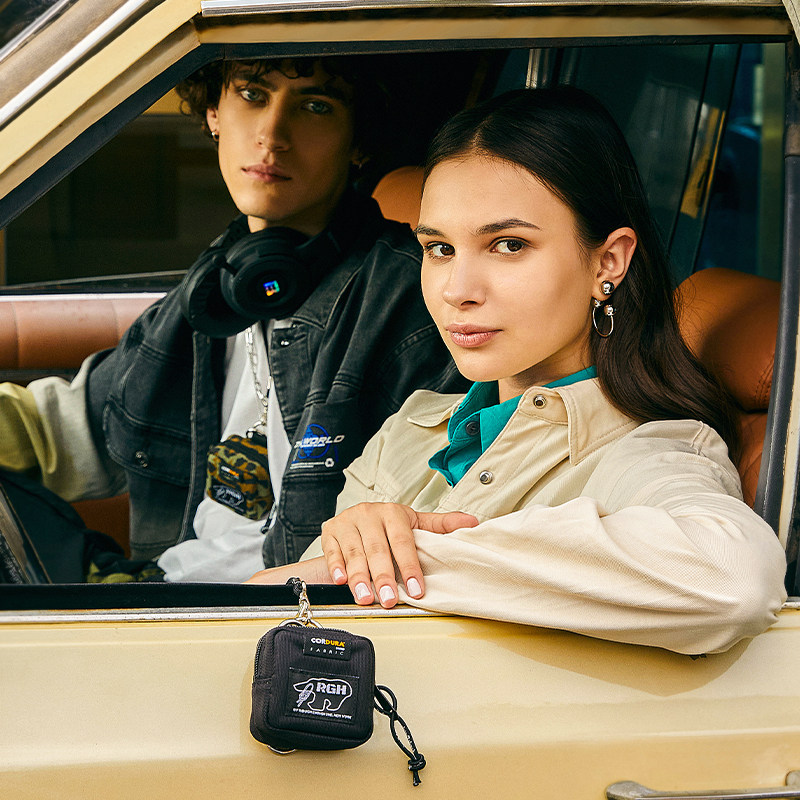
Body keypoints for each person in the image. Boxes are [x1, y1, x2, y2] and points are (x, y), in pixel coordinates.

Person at [246, 86, 787, 655]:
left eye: (508, 245)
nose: (457, 290)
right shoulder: (408, 431)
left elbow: (733, 579)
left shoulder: (648, 450)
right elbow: (307, 627)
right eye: (439, 249)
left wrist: (410, 560)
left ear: (608, 261)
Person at [0, 56, 464, 582]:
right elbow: (71, 426)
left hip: (272, 615)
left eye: (316, 106)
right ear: (214, 113)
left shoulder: (409, 300)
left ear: (359, 140)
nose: (272, 136)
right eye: (252, 95)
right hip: (159, 593)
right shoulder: (218, 287)